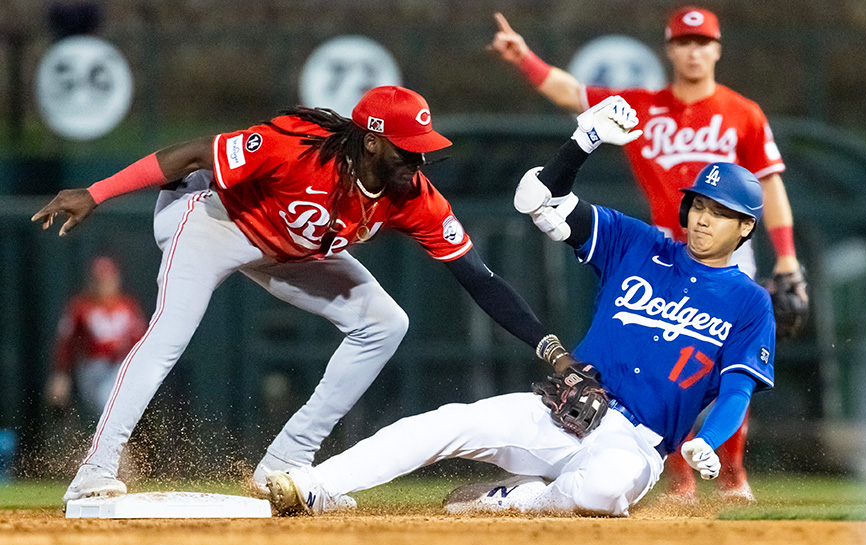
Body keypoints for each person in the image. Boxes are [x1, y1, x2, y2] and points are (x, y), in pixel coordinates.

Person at [33, 86, 573, 503]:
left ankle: (284, 465)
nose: (419, 162)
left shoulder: (415, 198)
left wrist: (548, 346)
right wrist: (95, 192)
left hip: (290, 250)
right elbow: (191, 155)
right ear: (371, 140)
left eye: (424, 150)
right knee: (170, 334)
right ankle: (95, 471)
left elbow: (479, 277)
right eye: (408, 150)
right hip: (213, 221)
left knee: (386, 322)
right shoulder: (296, 146)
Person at [264, 97, 776, 518]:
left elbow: (736, 389)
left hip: (637, 445)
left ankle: (515, 500)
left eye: (722, 213)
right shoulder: (636, 243)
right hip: (565, 410)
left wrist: (709, 439)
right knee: (446, 423)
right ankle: (314, 485)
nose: (704, 219)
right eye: (700, 206)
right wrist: (583, 142)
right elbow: (538, 200)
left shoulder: (750, 303)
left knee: (602, 491)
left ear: (747, 227)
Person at [489, 7, 806, 501]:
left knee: (724, 369)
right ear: (670, 49)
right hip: (661, 251)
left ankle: (732, 470)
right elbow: (574, 94)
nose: (693, 51)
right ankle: (676, 473)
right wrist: (524, 57)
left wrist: (786, 257)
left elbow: (771, 185)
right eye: (683, 42)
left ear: (717, 49)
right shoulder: (645, 107)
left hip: (728, 253)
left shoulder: (743, 112)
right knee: (667, 366)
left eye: (702, 42)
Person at [45, 256, 147, 421]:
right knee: (108, 409)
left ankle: (117, 444)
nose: (104, 284)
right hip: (93, 370)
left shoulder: (128, 305)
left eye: (108, 278)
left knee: (115, 415)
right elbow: (66, 343)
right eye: (99, 280)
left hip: (122, 368)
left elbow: (141, 342)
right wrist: (60, 375)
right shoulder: (80, 306)